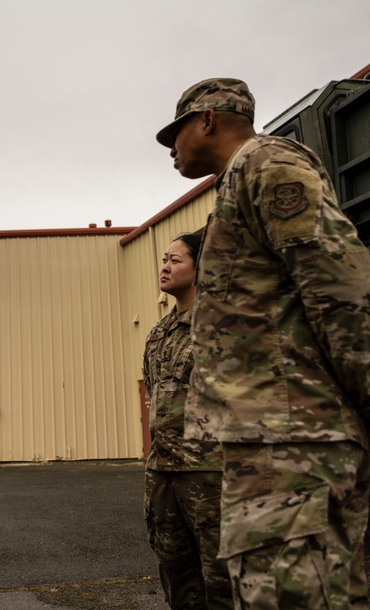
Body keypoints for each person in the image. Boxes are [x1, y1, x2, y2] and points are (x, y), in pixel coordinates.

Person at [155, 78, 370, 609]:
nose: (171, 150)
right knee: (270, 593)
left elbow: (340, 281)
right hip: (269, 434)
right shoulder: (237, 184)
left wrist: (369, 397)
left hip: (296, 437)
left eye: (175, 134)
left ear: (207, 119)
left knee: (298, 597)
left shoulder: (268, 164)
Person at [143, 232, 231, 610]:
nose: (165, 266)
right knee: (176, 571)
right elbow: (153, 392)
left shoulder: (222, 323)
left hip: (211, 473)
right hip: (163, 473)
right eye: (164, 259)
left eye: (175, 260)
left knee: (223, 576)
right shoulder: (158, 334)